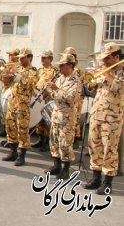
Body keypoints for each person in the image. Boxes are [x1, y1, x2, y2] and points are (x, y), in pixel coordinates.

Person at [83, 43, 123, 195]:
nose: (103, 62)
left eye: (107, 58)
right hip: (97, 115)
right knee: (94, 146)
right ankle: (96, 178)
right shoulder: (105, 71)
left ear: (116, 57)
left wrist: (106, 73)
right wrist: (92, 80)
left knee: (109, 150)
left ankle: (107, 183)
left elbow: (117, 87)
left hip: (112, 118)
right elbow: (92, 88)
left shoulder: (121, 72)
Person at [43, 53, 82, 180]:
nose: (60, 68)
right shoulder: (60, 78)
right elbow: (55, 96)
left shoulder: (75, 81)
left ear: (70, 65)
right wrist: (49, 89)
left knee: (65, 143)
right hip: (56, 114)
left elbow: (71, 99)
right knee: (54, 141)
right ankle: (56, 165)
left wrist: (56, 89)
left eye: (63, 66)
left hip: (67, 118)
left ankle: (65, 169)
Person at [3, 48, 38, 166]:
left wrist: (16, 74)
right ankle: (13, 152)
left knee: (22, 130)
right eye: (20, 58)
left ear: (30, 58)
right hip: (12, 102)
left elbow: (28, 82)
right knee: (10, 127)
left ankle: (21, 156)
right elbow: (6, 82)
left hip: (23, 106)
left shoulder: (33, 71)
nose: (20, 60)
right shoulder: (17, 68)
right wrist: (6, 73)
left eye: (23, 58)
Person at [32, 50, 57, 152]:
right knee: (39, 120)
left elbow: (54, 85)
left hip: (47, 98)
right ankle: (40, 139)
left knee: (46, 120)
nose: (42, 60)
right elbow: (36, 81)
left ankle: (46, 142)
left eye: (44, 58)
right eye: (41, 58)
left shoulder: (54, 71)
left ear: (50, 59)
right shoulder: (40, 70)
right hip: (38, 97)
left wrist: (47, 94)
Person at [0, 48, 20, 138]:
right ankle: (4, 129)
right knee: (3, 112)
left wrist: (10, 70)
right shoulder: (7, 65)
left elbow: (14, 78)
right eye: (9, 55)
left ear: (16, 56)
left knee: (10, 114)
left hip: (12, 92)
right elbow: (1, 78)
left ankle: (10, 134)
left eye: (11, 55)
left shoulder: (17, 67)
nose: (9, 56)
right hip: (4, 90)